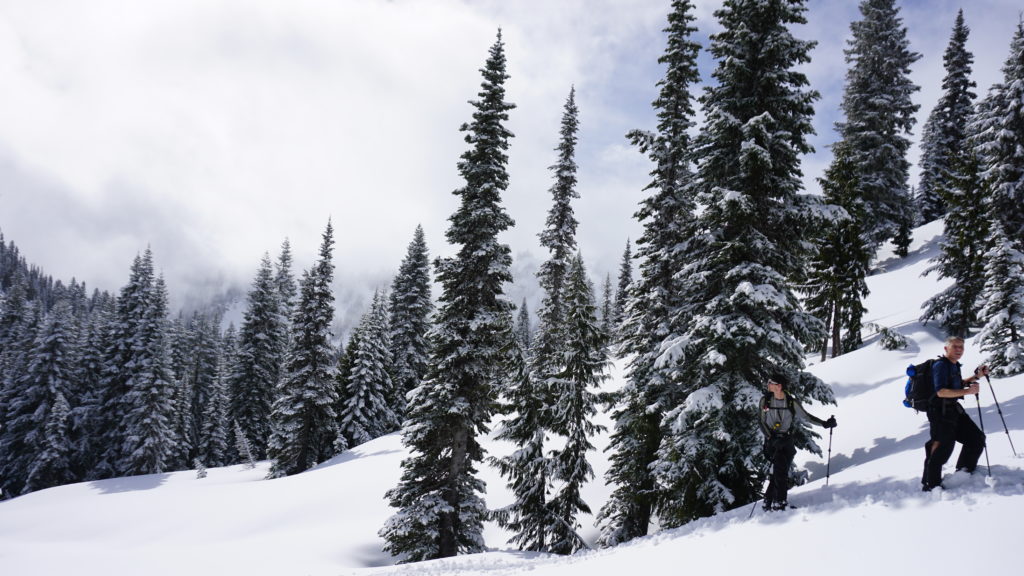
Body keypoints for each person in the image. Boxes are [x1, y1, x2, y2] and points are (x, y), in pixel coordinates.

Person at [759, 373, 836, 511]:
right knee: (780, 471)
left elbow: (806, 416)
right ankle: (779, 503)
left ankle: (768, 501)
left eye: (771, 382)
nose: (768, 384)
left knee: (780, 471)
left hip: (786, 440)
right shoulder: (765, 401)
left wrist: (824, 424)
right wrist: (771, 438)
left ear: (779, 386)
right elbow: (761, 421)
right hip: (772, 441)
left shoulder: (790, 402)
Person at [922, 336, 988, 491]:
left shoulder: (954, 365)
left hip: (953, 410)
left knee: (976, 439)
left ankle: (964, 472)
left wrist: (977, 376)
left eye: (961, 347)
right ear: (946, 348)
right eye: (955, 346)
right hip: (939, 413)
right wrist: (968, 391)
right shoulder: (940, 365)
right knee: (942, 447)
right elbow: (941, 392)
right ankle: (931, 485)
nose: (959, 350)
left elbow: (956, 384)